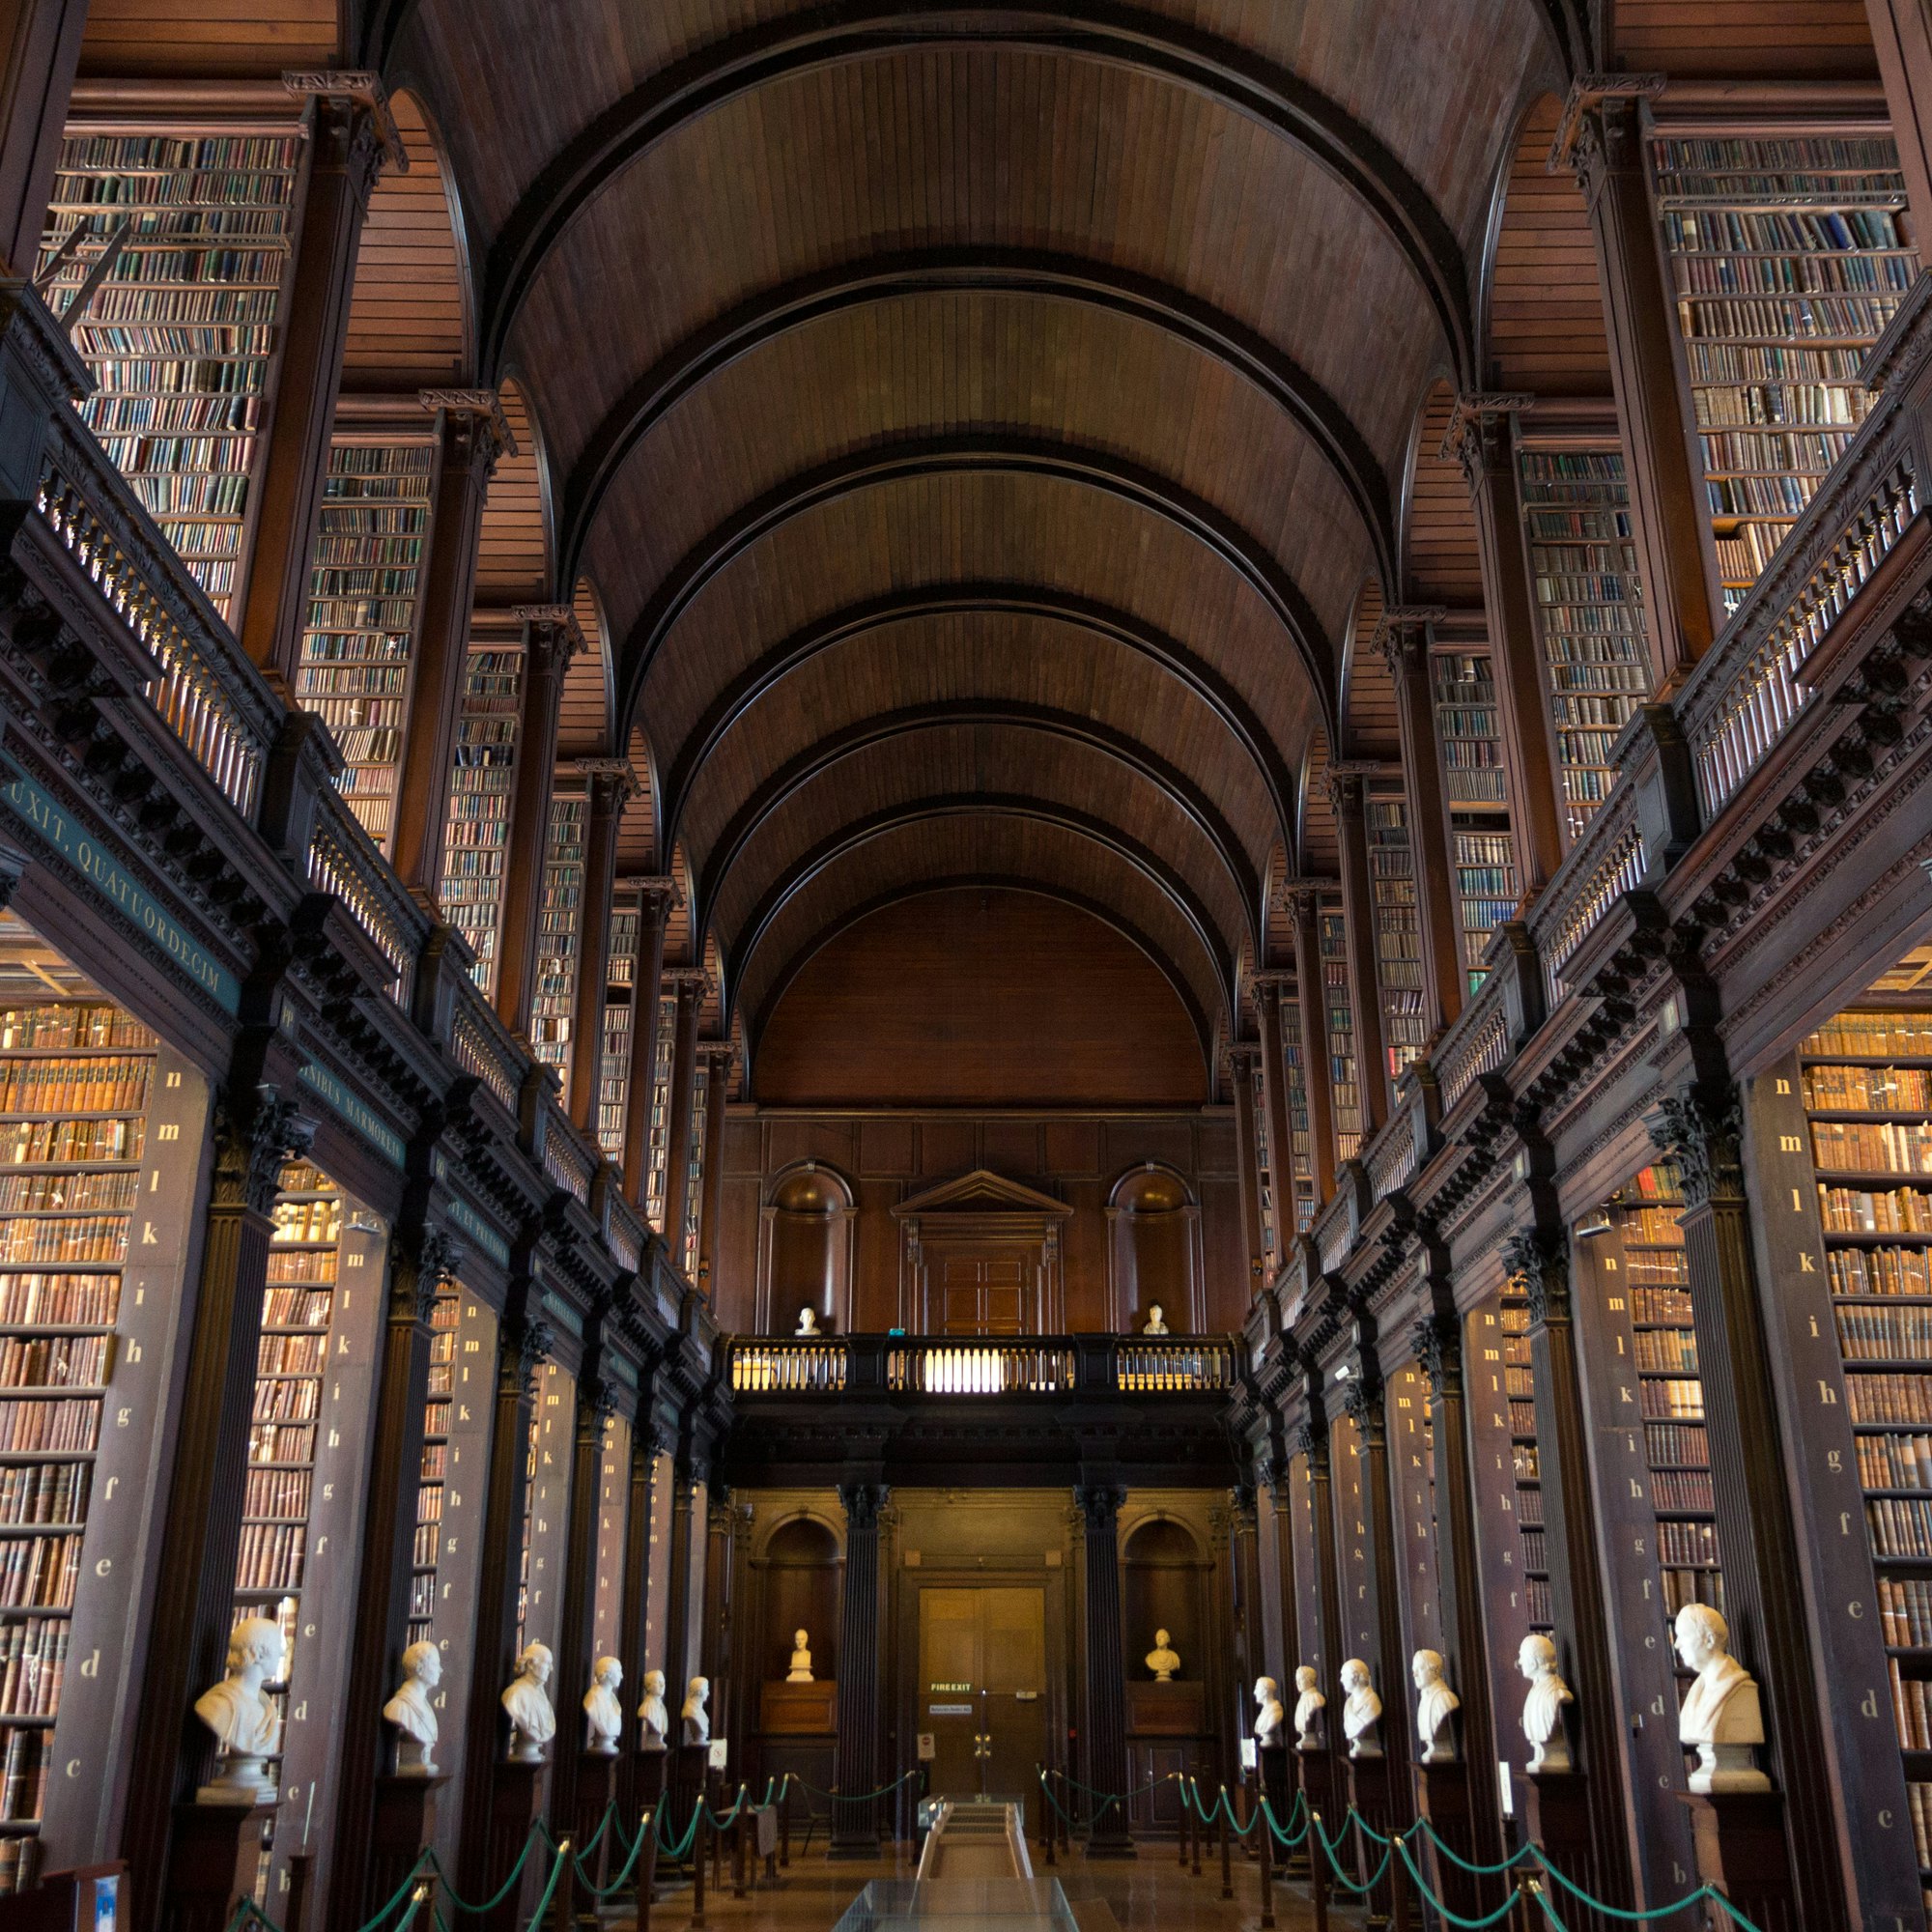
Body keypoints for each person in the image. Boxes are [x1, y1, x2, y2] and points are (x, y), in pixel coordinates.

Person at [1674, 1603, 1767, 1792]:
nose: (1677, 1644)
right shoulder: (1697, 1690)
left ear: (1708, 1640)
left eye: (1683, 1636)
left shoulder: (1740, 1688)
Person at [194, 1616, 286, 1798]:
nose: (283, 1653)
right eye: (278, 1645)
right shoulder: (217, 1704)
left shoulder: (267, 1707)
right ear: (259, 1653)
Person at [384, 1639, 441, 1776]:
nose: (440, 1669)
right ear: (419, 1667)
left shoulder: (425, 1707)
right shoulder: (398, 1708)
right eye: (435, 1664)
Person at [1517, 1634, 1574, 1775]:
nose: (1520, 1662)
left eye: (1523, 1656)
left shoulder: (1556, 1694)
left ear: (1534, 1661)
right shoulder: (1535, 1692)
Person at [502, 1641, 556, 1763]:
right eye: (547, 1663)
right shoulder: (515, 1694)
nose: (551, 1669)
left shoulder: (541, 1695)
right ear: (531, 1664)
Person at [1411, 1649, 1460, 1763]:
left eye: (1420, 1668)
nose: (1415, 1674)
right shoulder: (1424, 1699)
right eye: (1414, 1669)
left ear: (1435, 1670)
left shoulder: (1445, 1699)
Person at [1340, 1658, 1382, 1759]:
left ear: (1355, 1676)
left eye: (1344, 1675)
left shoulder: (1372, 1701)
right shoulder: (1348, 1703)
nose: (1341, 1679)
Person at [583, 1655, 623, 1754]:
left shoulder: (612, 1698)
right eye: (618, 1671)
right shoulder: (593, 1698)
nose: (621, 1675)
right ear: (607, 1673)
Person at [1293, 1664, 1326, 1750]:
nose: (1298, 1683)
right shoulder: (1302, 1699)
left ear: (1310, 1680)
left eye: (1301, 1679)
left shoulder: (1315, 1698)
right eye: (1297, 1679)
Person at [638, 1667, 670, 1748]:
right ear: (648, 1686)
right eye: (658, 1682)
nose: (662, 1685)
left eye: (663, 1682)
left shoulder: (661, 1707)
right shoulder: (646, 1707)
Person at [1253, 1674, 1285, 1747]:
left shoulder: (1275, 1710)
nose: (1254, 1692)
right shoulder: (1264, 1711)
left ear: (1264, 1691)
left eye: (1257, 1688)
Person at [682, 1674, 711, 1746]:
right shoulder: (690, 1711)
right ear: (699, 1691)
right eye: (706, 1689)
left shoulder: (699, 1710)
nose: (708, 1693)